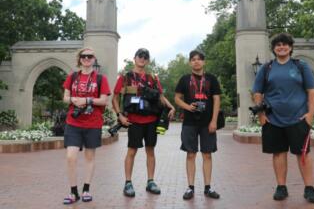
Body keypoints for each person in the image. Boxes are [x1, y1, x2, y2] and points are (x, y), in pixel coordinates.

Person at [252, 33, 314, 203]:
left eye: (285, 44)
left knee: (303, 153)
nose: (281, 47)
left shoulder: (300, 66)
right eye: (278, 45)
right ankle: (281, 187)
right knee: (278, 153)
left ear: (290, 47)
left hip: (298, 118)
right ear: (274, 49)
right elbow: (257, 92)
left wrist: (310, 115)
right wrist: (261, 115)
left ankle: (309, 188)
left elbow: (312, 91)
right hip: (273, 119)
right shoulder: (266, 68)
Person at [112, 48, 175, 197]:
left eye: (145, 56)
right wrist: (120, 115)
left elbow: (160, 96)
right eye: (140, 55)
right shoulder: (125, 77)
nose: (142, 58)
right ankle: (128, 183)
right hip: (133, 120)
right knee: (132, 151)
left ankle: (150, 182)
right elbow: (114, 98)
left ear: (147, 60)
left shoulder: (153, 78)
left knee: (150, 151)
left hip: (151, 121)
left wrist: (171, 106)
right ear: (134, 58)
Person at [62, 47, 111, 204]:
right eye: (84, 56)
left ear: (94, 59)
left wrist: (88, 100)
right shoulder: (72, 77)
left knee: (89, 157)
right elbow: (65, 97)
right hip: (73, 122)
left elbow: (104, 100)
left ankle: (86, 190)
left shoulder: (100, 79)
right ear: (80, 59)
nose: (87, 58)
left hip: (93, 122)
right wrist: (73, 100)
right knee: (71, 157)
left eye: (90, 56)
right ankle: (73, 192)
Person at [174, 50, 221, 200]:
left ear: (204, 62)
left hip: (207, 123)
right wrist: (187, 107)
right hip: (189, 123)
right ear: (190, 63)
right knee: (191, 154)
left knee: (207, 154)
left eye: (199, 59)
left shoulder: (211, 79)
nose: (196, 62)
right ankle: (190, 187)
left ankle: (208, 187)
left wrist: (214, 121)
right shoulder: (184, 79)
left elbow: (216, 100)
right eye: (193, 59)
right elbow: (177, 98)